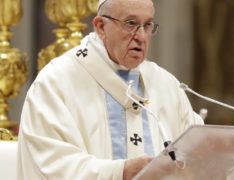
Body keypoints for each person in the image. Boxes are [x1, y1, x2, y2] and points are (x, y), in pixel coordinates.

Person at [17, 0, 203, 179]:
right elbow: (52, 164)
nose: (142, 36)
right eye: (131, 23)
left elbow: (196, 152)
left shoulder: (165, 83)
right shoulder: (55, 82)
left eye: (147, 25)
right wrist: (119, 172)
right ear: (100, 26)